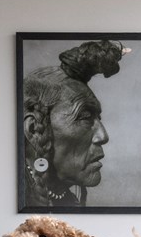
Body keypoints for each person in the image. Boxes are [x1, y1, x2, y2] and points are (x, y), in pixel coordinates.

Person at [22, 39, 129, 207]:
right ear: (34, 130)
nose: (103, 136)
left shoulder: (67, 200)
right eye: (85, 117)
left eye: (97, 118)